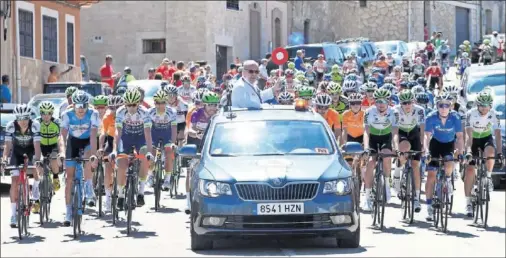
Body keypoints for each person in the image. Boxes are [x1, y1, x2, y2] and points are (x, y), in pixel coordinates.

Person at [59, 90, 99, 226]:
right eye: (78, 106)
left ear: (87, 105)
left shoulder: (93, 114)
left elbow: (94, 135)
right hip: (73, 142)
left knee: (88, 156)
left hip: (88, 141)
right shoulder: (67, 115)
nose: (81, 109)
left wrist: (94, 154)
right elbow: (62, 136)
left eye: (83, 106)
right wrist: (62, 153)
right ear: (73, 105)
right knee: (69, 178)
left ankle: (88, 186)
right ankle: (68, 211)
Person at [110, 88, 153, 210]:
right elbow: (118, 133)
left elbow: (148, 133)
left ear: (138, 103)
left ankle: (141, 192)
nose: (131, 108)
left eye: (134, 105)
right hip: (126, 137)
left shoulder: (145, 112)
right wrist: (114, 150)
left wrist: (149, 152)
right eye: (128, 105)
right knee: (122, 164)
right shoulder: (120, 112)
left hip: (141, 137)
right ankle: (121, 195)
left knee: (144, 157)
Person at [424, 93, 464, 221]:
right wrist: (426, 151)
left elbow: (460, 137)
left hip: (448, 144)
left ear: (450, 107)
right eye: (441, 105)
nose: (443, 108)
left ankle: (447, 179)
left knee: (449, 162)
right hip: (435, 144)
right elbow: (426, 136)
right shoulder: (431, 117)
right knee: (431, 175)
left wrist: (460, 151)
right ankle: (429, 205)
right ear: (437, 106)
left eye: (446, 105)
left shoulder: (456, 117)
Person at [463, 90, 503, 216]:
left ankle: (488, 177)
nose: (484, 108)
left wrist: (500, 153)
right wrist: (468, 150)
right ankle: (468, 202)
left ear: (490, 106)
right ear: (477, 105)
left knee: (491, 152)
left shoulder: (494, 114)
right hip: (473, 139)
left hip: (486, 138)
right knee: (470, 169)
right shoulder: (471, 114)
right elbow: (468, 135)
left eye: (487, 105)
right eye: (482, 105)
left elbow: (497, 135)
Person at [1, 104, 42, 227]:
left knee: (36, 169)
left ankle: (35, 189)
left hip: (31, 151)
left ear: (29, 117)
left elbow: (37, 146)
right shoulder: (10, 126)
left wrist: (37, 160)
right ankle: (13, 215)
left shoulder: (34, 125)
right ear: (16, 118)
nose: (23, 121)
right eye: (20, 118)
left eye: (25, 118)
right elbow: (7, 146)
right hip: (17, 153)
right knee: (14, 182)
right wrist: (4, 160)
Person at [362, 88, 399, 211]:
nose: (381, 104)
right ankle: (367, 198)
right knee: (370, 164)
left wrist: (396, 148)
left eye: (384, 101)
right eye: (378, 101)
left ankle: (387, 185)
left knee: (387, 157)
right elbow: (366, 132)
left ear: (388, 101)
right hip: (372, 138)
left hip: (386, 138)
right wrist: (366, 148)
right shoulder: (368, 112)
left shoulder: (394, 112)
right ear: (374, 101)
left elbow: (395, 133)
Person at [185, 91, 220, 213]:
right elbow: (190, 129)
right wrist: (196, 134)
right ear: (204, 105)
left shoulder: (219, 115)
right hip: (197, 142)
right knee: (191, 170)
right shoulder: (197, 113)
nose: (213, 108)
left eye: (215, 105)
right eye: (210, 105)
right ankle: (188, 201)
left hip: (212, 144)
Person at [392, 90, 425, 213]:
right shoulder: (395, 110)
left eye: (409, 103)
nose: (407, 106)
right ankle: (397, 171)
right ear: (400, 103)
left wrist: (422, 145)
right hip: (400, 133)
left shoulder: (420, 110)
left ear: (413, 102)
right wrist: (395, 147)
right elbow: (394, 131)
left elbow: (422, 129)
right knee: (404, 149)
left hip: (414, 133)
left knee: (416, 165)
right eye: (404, 103)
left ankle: (416, 197)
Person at [148, 90, 178, 192]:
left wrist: (173, 142)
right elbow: (146, 129)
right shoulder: (150, 112)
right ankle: (150, 175)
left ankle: (167, 180)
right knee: (150, 153)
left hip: (167, 133)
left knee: (169, 153)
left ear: (166, 102)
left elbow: (174, 129)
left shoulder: (171, 112)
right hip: (154, 133)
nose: (160, 105)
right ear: (154, 103)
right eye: (158, 103)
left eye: (163, 102)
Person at [98, 95, 123, 212]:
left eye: (118, 107)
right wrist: (100, 147)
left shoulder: (125, 115)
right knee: (107, 168)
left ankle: (124, 189)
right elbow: (103, 133)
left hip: (124, 141)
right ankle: (107, 197)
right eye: (113, 108)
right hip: (110, 140)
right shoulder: (107, 117)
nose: (116, 110)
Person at [37, 102, 62, 192]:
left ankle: (55, 177)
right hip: (41, 146)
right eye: (44, 113)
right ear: (40, 113)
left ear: (52, 113)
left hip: (53, 146)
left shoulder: (57, 122)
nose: (46, 116)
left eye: (49, 113)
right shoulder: (37, 122)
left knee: (53, 159)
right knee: (37, 161)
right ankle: (40, 180)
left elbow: (60, 137)